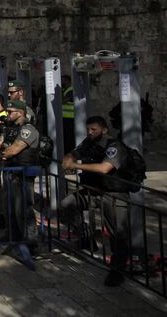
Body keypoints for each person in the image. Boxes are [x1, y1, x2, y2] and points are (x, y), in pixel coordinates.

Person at [59, 116, 137, 287]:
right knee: (67, 204)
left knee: (118, 233)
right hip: (93, 191)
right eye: (88, 129)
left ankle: (118, 271)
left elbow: (104, 168)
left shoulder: (114, 146)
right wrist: (69, 157)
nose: (90, 132)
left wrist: (76, 166)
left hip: (113, 193)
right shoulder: (89, 142)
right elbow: (75, 152)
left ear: (104, 130)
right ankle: (85, 234)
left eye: (94, 129)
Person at [0, 100, 40, 269]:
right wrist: (3, 150)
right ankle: (13, 238)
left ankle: (31, 244)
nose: (8, 114)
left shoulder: (28, 130)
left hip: (23, 176)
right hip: (10, 172)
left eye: (11, 111)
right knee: (10, 208)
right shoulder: (9, 129)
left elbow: (13, 150)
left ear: (20, 112)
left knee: (24, 210)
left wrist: (4, 151)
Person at [62, 75, 75, 153]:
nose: (61, 82)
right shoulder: (64, 90)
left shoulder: (71, 90)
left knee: (69, 138)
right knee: (65, 138)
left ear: (67, 81)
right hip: (64, 118)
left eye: (63, 80)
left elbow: (63, 100)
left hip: (70, 118)